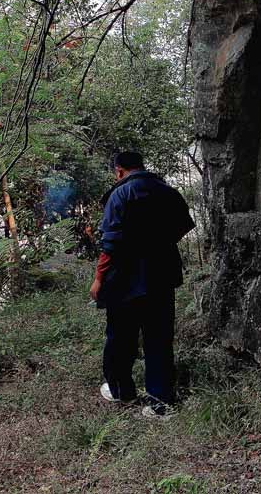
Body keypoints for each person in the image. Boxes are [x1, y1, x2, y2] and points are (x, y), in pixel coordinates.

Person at [90, 151, 195, 419]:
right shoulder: (167, 191)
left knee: (120, 338)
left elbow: (110, 245)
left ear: (119, 170)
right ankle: (161, 403)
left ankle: (121, 391)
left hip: (123, 280)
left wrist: (99, 279)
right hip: (161, 278)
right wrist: (158, 244)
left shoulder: (120, 194)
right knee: (159, 338)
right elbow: (184, 225)